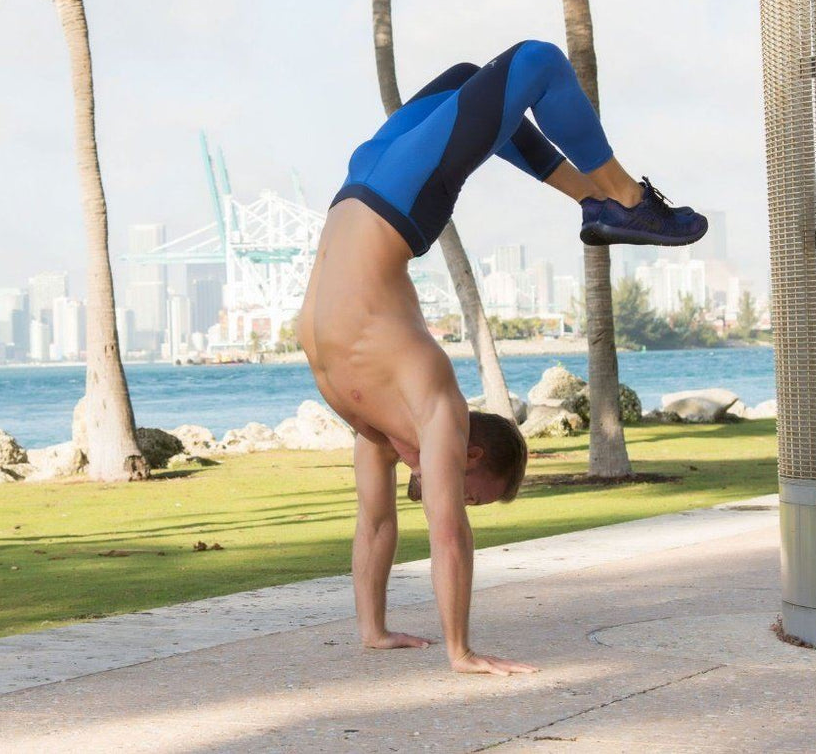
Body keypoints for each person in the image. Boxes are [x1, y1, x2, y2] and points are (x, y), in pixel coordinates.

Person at [296, 40, 707, 676]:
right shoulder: (435, 407)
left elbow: (376, 525)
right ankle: (624, 200)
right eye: (475, 495)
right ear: (470, 453)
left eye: (473, 503)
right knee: (536, 61)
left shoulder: (378, 429)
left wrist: (373, 629)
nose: (457, 503)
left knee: (471, 82)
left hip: (365, 180)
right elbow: (447, 535)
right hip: (394, 199)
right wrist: (460, 651)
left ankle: (590, 201)